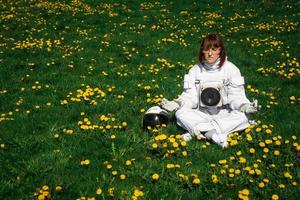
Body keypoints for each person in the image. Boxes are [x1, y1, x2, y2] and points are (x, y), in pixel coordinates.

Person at [159, 33, 259, 148]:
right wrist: (177, 103)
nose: (210, 53)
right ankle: (214, 135)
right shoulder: (195, 70)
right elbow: (190, 96)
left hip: (224, 113)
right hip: (202, 114)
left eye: (214, 49)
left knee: (243, 116)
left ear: (220, 50)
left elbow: (236, 96)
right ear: (202, 51)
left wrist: (245, 106)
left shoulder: (231, 69)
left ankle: (198, 132)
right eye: (206, 49)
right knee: (180, 113)